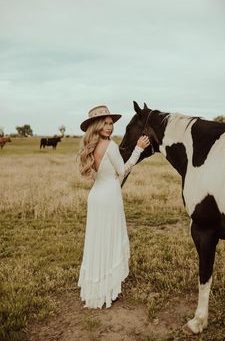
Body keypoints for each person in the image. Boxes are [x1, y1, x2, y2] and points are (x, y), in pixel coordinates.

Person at [78, 105, 150, 308]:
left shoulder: (92, 146)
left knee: (97, 241)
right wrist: (138, 149)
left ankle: (98, 289)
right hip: (109, 197)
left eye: (111, 123)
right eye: (106, 123)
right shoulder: (110, 146)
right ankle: (107, 290)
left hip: (96, 196)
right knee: (109, 240)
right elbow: (123, 170)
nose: (109, 127)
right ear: (97, 125)